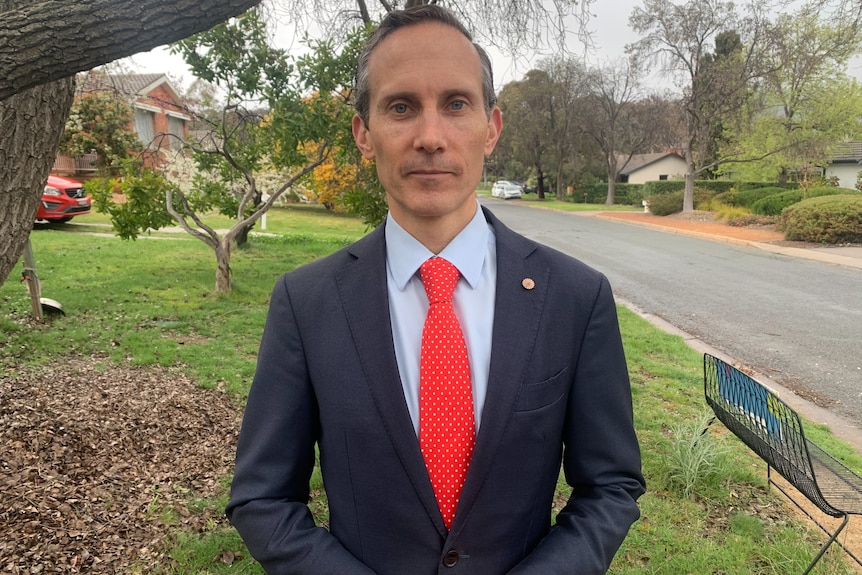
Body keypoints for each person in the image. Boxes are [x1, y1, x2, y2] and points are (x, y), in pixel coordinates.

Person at [226, 5, 645, 574]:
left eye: (455, 104)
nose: (429, 137)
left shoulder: (573, 297)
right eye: (401, 108)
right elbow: (263, 498)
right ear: (363, 134)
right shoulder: (308, 302)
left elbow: (611, 486)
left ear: (491, 129)